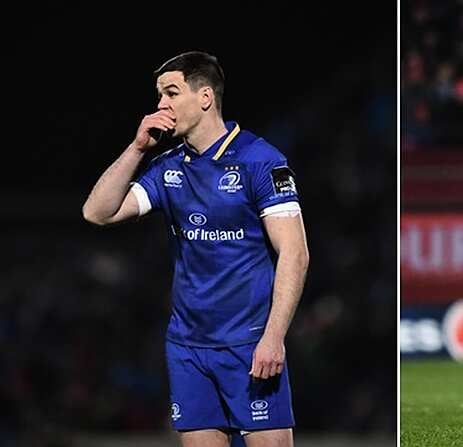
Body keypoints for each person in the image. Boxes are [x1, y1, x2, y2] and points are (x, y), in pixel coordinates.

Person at [82, 51, 309, 447]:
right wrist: (137, 149)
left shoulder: (262, 161)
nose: (161, 105)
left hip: (249, 343)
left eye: (171, 93)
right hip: (188, 348)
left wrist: (274, 337)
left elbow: (295, 253)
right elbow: (97, 213)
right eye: (159, 96)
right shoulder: (168, 167)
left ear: (205, 97)